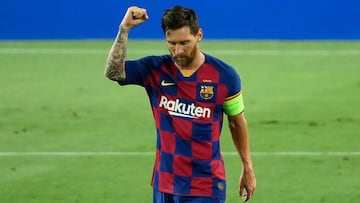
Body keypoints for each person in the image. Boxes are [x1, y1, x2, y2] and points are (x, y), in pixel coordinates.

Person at [104, 5, 256, 203]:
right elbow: (113, 72)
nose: (178, 51)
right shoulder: (155, 69)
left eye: (185, 43)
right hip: (164, 183)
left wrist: (247, 167)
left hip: (205, 185)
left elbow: (237, 122)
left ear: (199, 35)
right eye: (171, 43)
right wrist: (124, 28)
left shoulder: (225, 76)